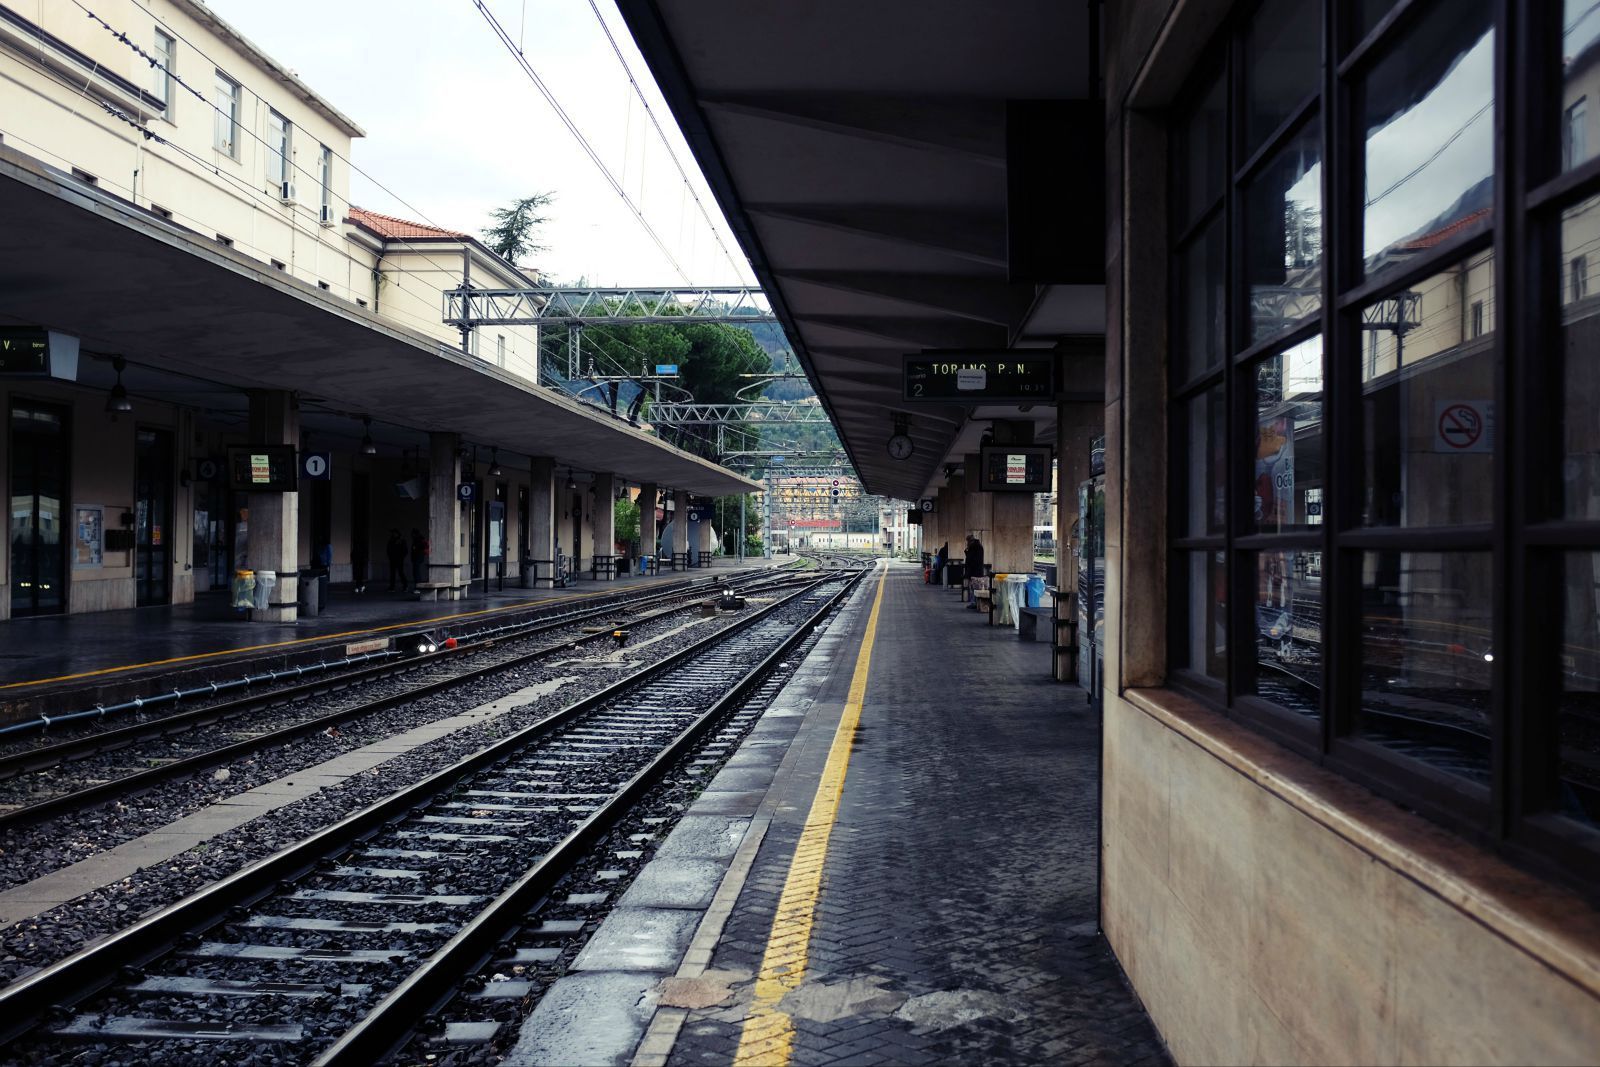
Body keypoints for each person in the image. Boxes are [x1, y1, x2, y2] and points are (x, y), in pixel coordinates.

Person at [964, 534, 986, 608]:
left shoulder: (975, 547)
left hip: (974, 571)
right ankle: (974, 602)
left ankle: (974, 603)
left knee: (974, 587)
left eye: (967, 541)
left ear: (970, 541)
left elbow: (971, 559)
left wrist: (967, 551)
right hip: (976, 570)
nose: (967, 543)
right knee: (974, 587)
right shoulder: (977, 547)